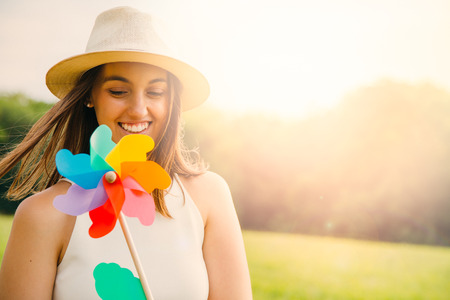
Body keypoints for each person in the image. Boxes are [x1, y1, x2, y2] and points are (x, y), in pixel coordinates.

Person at [0, 6, 252, 299]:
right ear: (90, 96)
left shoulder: (209, 196)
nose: (138, 109)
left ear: (172, 102)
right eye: (118, 91)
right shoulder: (41, 216)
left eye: (156, 92)